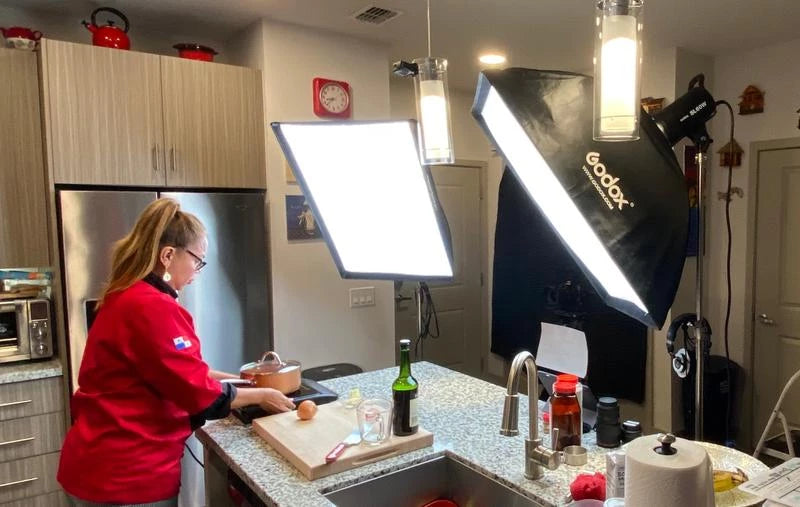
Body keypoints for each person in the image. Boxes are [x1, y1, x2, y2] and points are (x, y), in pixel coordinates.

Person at [58, 198, 294, 507]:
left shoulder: (126, 295)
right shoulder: (153, 307)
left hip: (92, 463)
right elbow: (197, 393)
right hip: (128, 477)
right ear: (168, 255)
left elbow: (176, 371)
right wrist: (262, 395)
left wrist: (242, 381)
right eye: (197, 260)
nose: (198, 271)